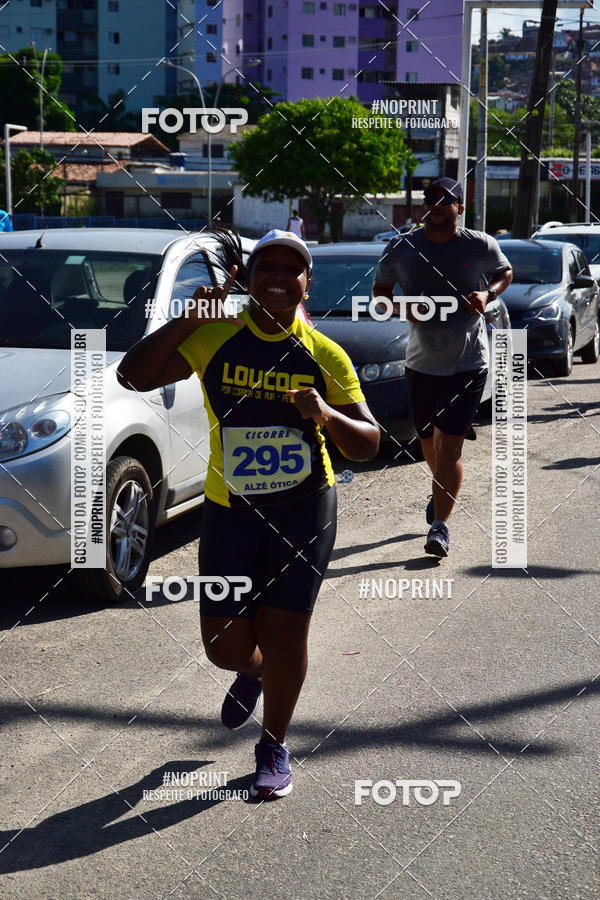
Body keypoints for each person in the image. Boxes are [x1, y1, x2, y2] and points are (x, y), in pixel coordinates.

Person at [118, 228, 379, 799]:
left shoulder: (325, 354)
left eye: (293, 270)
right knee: (223, 647)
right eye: (268, 269)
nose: (280, 279)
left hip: (304, 509)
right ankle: (253, 671)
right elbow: (132, 376)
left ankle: (274, 744)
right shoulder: (214, 337)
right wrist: (189, 318)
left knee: (287, 634)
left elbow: (370, 443)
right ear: (248, 279)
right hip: (230, 511)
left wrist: (328, 418)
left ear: (307, 282)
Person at [373, 177, 513, 558]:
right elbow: (380, 297)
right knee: (429, 443)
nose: (435, 205)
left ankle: (440, 526)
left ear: (459, 208)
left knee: (449, 449)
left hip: (468, 362)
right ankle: (441, 490)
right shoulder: (402, 248)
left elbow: (505, 272)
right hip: (420, 363)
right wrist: (404, 309)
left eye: (444, 200)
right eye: (429, 199)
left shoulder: (479, 243)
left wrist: (488, 293)